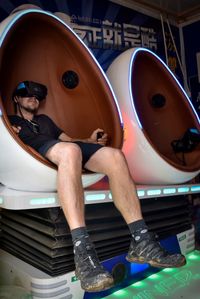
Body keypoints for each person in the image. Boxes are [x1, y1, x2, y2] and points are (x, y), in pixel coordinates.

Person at [9, 81, 186, 292]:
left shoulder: (45, 120)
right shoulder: (9, 120)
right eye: (26, 94)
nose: (33, 98)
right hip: (41, 150)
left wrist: (90, 140)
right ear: (16, 99)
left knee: (114, 156)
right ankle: (82, 250)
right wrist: (8, 131)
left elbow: (72, 140)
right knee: (70, 151)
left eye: (37, 96)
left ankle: (141, 239)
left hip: (64, 148)